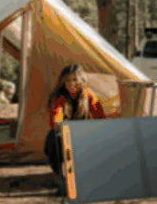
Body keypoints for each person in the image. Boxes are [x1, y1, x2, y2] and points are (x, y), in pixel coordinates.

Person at [43, 64, 108, 193]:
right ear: (63, 82)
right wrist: (62, 124)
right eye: (67, 80)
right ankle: (63, 178)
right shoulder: (58, 96)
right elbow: (57, 120)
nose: (71, 83)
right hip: (65, 132)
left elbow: (101, 118)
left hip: (84, 132)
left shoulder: (88, 95)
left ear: (81, 80)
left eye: (75, 80)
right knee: (56, 139)